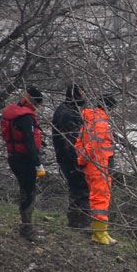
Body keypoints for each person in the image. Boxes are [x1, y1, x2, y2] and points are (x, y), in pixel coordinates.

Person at [0, 87, 48, 242]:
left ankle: (26, 225)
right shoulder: (26, 118)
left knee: (24, 190)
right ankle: (27, 228)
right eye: (37, 105)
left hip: (13, 156)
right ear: (33, 102)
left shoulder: (13, 112)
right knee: (29, 192)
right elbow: (28, 141)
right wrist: (38, 164)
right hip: (25, 160)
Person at [76, 93, 117, 246]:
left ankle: (100, 232)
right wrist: (84, 160)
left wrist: (81, 160)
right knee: (100, 199)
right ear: (109, 108)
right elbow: (94, 145)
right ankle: (99, 233)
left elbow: (79, 142)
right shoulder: (101, 123)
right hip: (100, 165)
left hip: (95, 164)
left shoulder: (89, 120)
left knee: (97, 198)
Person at [51, 84, 89, 229]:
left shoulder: (63, 110)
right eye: (82, 93)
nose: (84, 97)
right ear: (77, 95)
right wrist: (80, 161)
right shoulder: (69, 114)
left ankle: (75, 222)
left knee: (76, 190)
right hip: (70, 159)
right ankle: (80, 224)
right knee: (81, 190)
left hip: (64, 157)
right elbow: (72, 141)